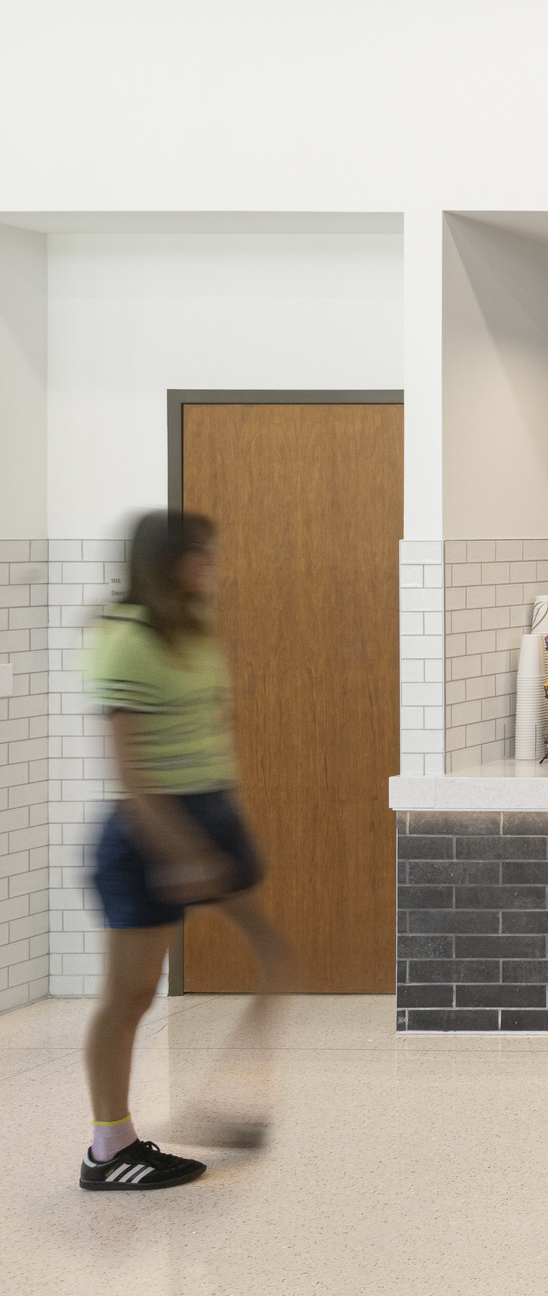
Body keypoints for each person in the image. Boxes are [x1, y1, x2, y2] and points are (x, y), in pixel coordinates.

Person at [80, 510, 299, 1192]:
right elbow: (132, 774)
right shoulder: (127, 640)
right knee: (131, 995)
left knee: (278, 960)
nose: (213, 565)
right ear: (164, 561)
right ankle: (108, 1150)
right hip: (151, 832)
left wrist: (225, 827)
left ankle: (227, 1105)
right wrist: (183, 852)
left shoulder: (193, 627)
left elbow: (206, 729)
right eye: (200, 556)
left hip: (208, 815)